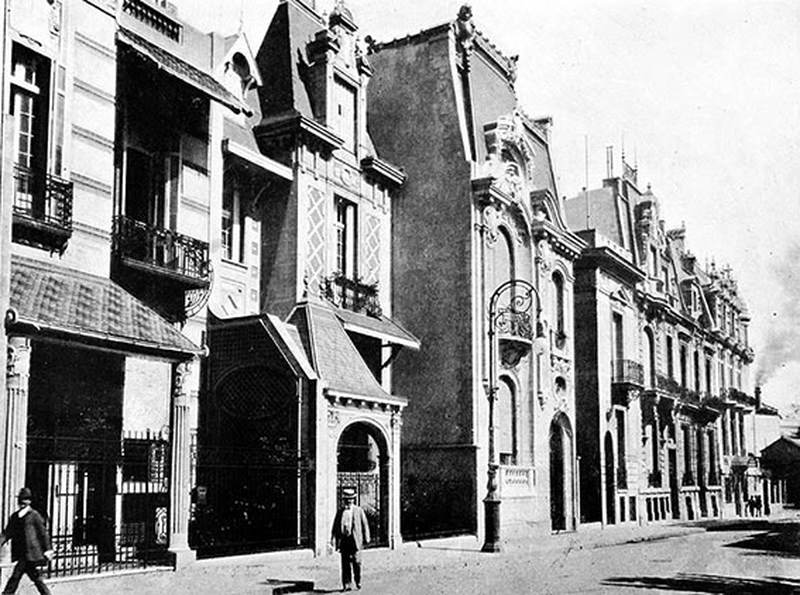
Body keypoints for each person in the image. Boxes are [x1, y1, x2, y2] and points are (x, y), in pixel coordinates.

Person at [0, 487, 54, 595]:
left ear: (29, 501)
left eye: (26, 500)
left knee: (16, 576)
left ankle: (7, 593)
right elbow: (7, 532)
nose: (23, 503)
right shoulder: (15, 517)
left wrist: (48, 549)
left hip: (31, 553)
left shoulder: (34, 516)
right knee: (36, 578)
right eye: (21, 500)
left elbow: (43, 533)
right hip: (21, 552)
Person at [331, 488, 370, 591]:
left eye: (351, 499)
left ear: (354, 500)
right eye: (347, 499)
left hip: (355, 540)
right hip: (345, 540)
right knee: (345, 564)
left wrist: (367, 537)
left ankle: (358, 580)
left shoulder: (358, 510)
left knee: (357, 562)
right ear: (344, 500)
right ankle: (347, 584)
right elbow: (335, 526)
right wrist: (333, 539)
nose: (349, 501)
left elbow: (365, 524)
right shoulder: (340, 512)